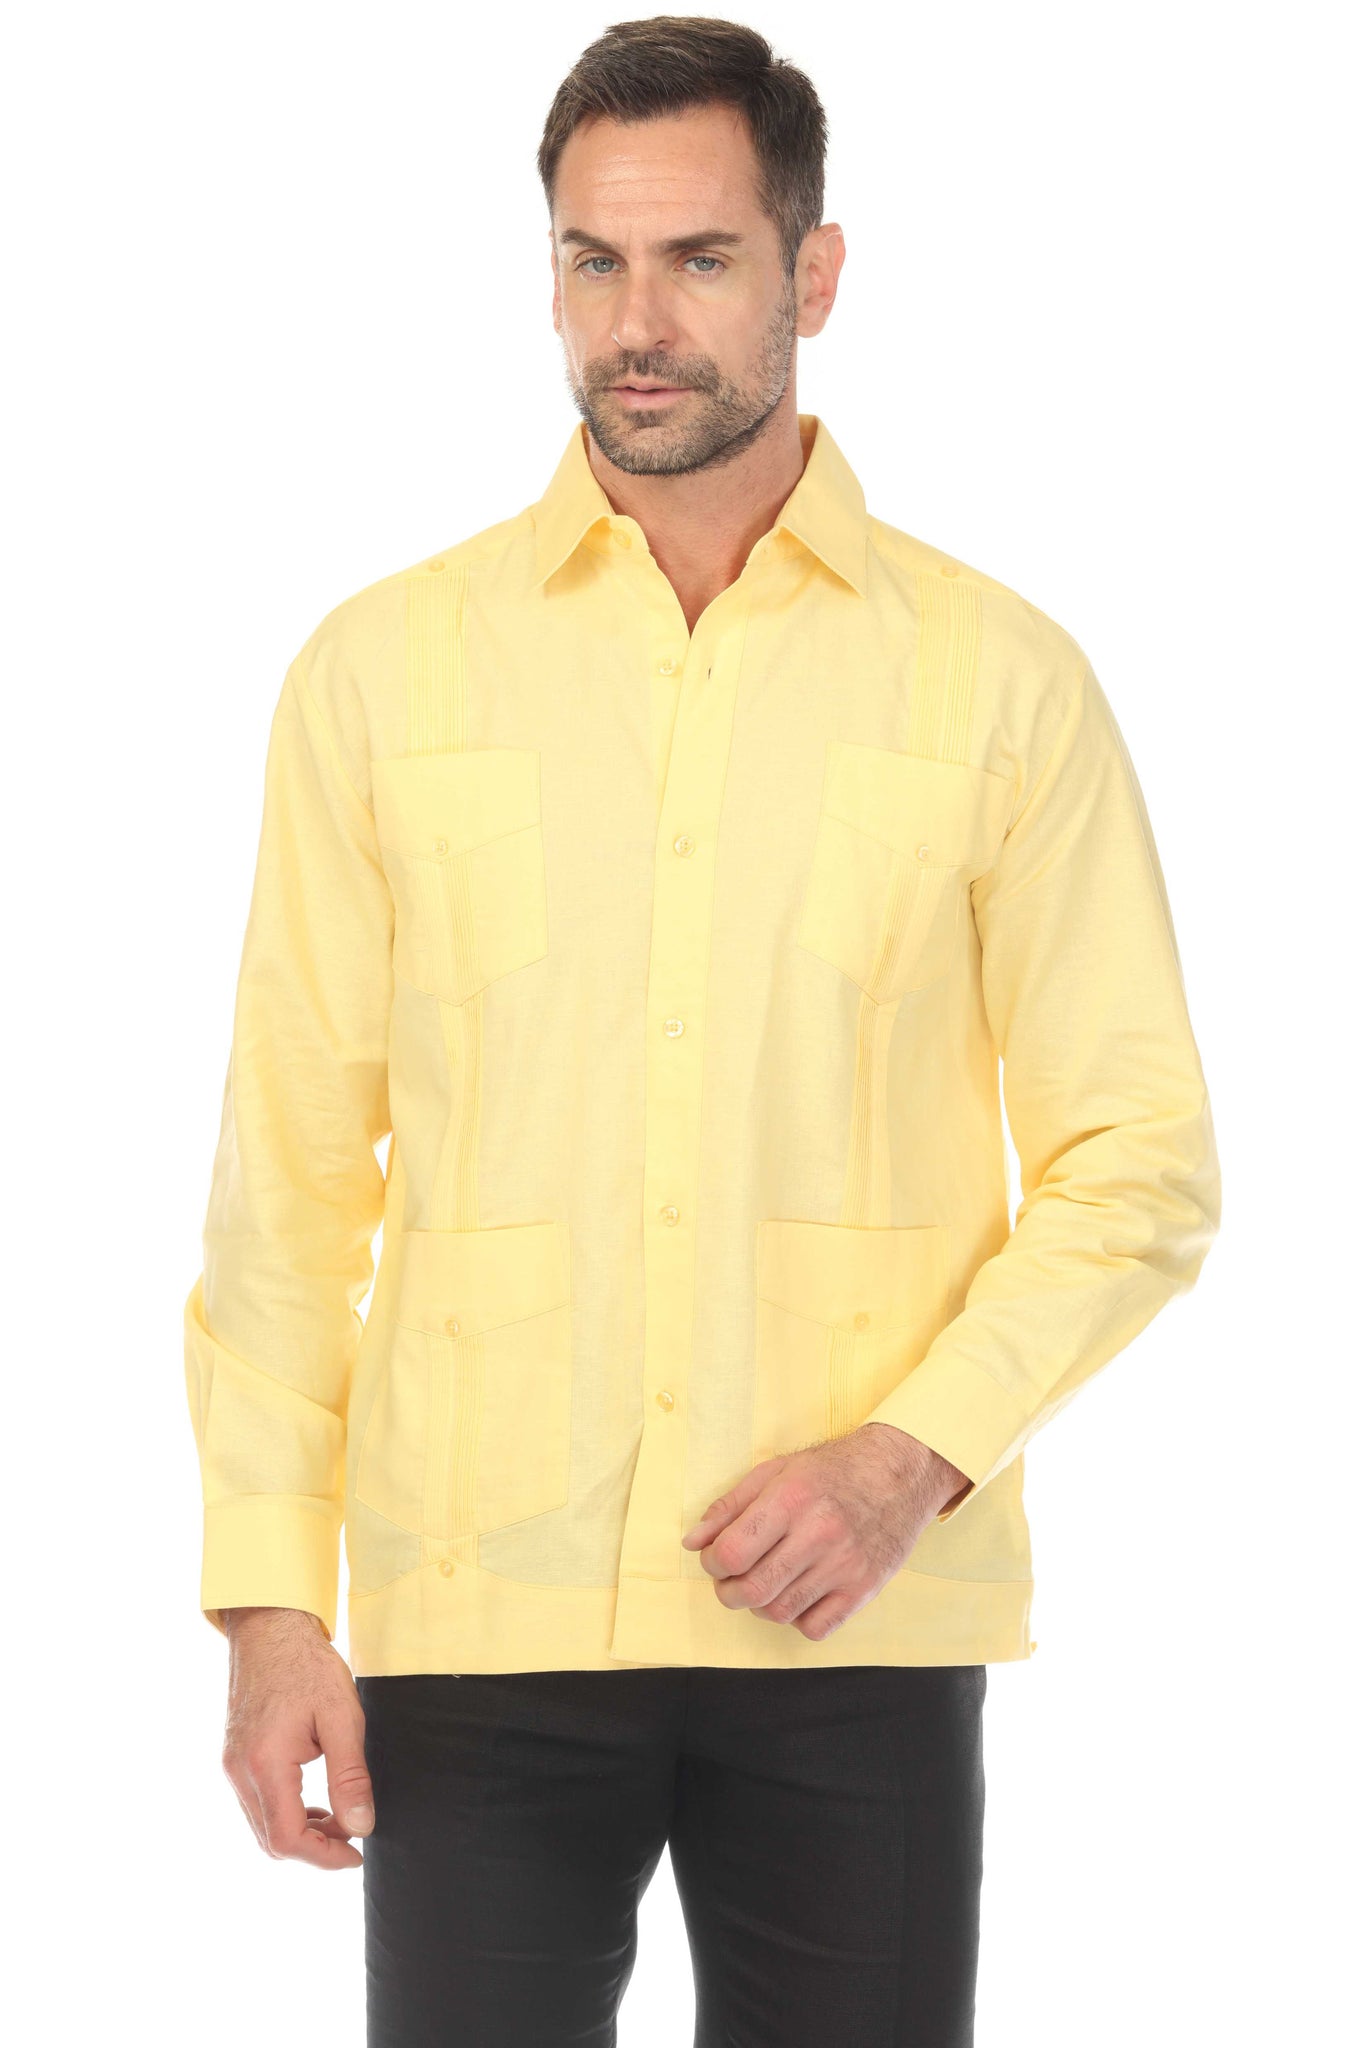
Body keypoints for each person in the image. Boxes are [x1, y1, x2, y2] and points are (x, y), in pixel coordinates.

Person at [183, 18, 1221, 2046]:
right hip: (477, 1616)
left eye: (699, 260)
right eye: (592, 261)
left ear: (813, 276)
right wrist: (270, 1605)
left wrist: (908, 1464)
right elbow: (288, 1182)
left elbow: (1137, 1156)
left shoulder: (997, 684)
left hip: (852, 1618)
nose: (635, 322)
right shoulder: (380, 676)